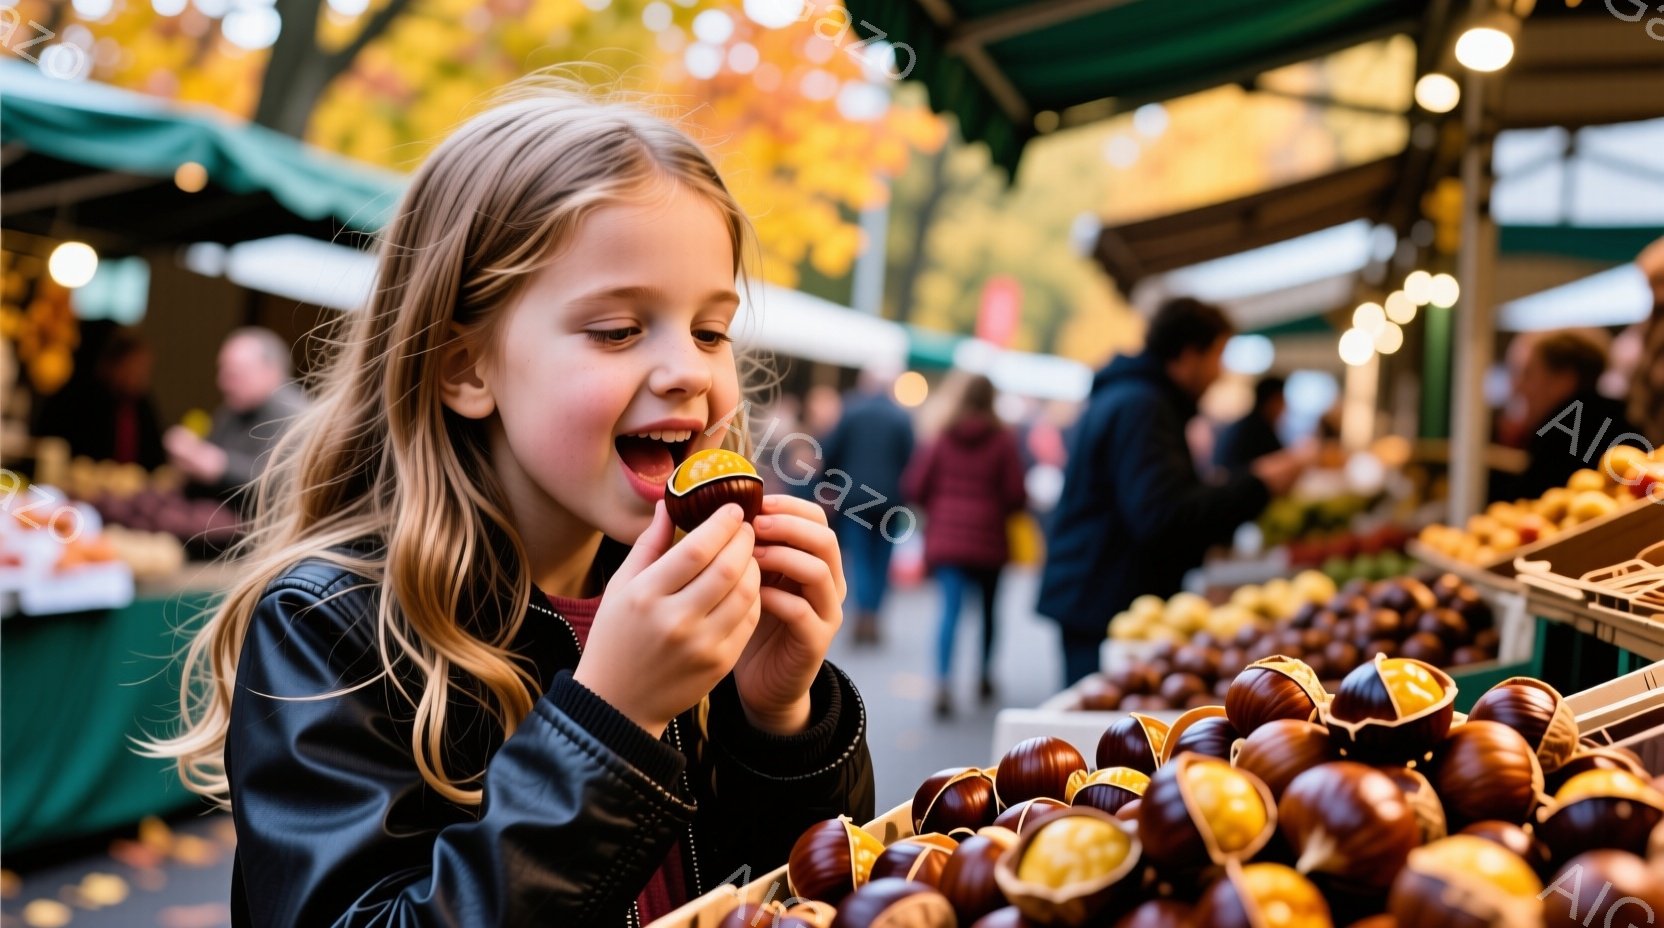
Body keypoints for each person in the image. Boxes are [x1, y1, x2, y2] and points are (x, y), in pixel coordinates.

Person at [141, 81, 872, 927]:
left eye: (712, 330)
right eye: (618, 329)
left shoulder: (690, 598)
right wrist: (613, 724)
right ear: (465, 368)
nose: (692, 372)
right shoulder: (334, 628)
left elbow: (794, 893)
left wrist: (781, 721)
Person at [1037, 298, 1308, 686]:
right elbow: (1161, 514)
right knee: (1104, 737)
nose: (1222, 372)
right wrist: (1258, 483)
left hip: (1101, 595)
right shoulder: (1141, 406)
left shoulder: (1135, 398)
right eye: (1218, 355)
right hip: (1105, 603)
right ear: (1188, 354)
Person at [902, 374, 1027, 718]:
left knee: (949, 612)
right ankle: (984, 676)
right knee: (989, 613)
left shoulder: (941, 437)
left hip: (948, 541)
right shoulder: (1003, 440)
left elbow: (915, 486)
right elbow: (1017, 494)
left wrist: (942, 509)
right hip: (989, 541)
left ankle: (942, 681)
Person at [819, 362, 914, 645]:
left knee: (859, 560)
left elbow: (830, 452)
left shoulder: (851, 411)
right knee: (882, 562)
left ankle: (862, 614)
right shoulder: (901, 417)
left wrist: (830, 483)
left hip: (854, 499)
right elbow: (911, 459)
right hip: (890, 502)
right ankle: (873, 615)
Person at [1492, 331, 1644, 502]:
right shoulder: (1622, 418)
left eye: (1529, 374)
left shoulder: (1561, 434)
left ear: (1564, 380)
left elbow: (1531, 504)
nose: (1518, 387)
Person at [162, 327, 309, 504]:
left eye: (234, 375)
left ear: (270, 372)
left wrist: (220, 466)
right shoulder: (235, 407)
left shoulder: (294, 414)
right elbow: (210, 452)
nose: (222, 382)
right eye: (222, 371)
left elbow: (282, 483)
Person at [34, 326, 165, 468]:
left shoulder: (142, 406)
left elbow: (156, 457)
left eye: (145, 369)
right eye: (135, 367)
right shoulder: (81, 399)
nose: (141, 376)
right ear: (113, 365)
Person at [1214, 375, 1285, 475]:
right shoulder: (1258, 431)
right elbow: (1279, 465)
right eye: (1282, 401)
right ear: (1273, 401)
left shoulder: (1245, 425)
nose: (1285, 408)